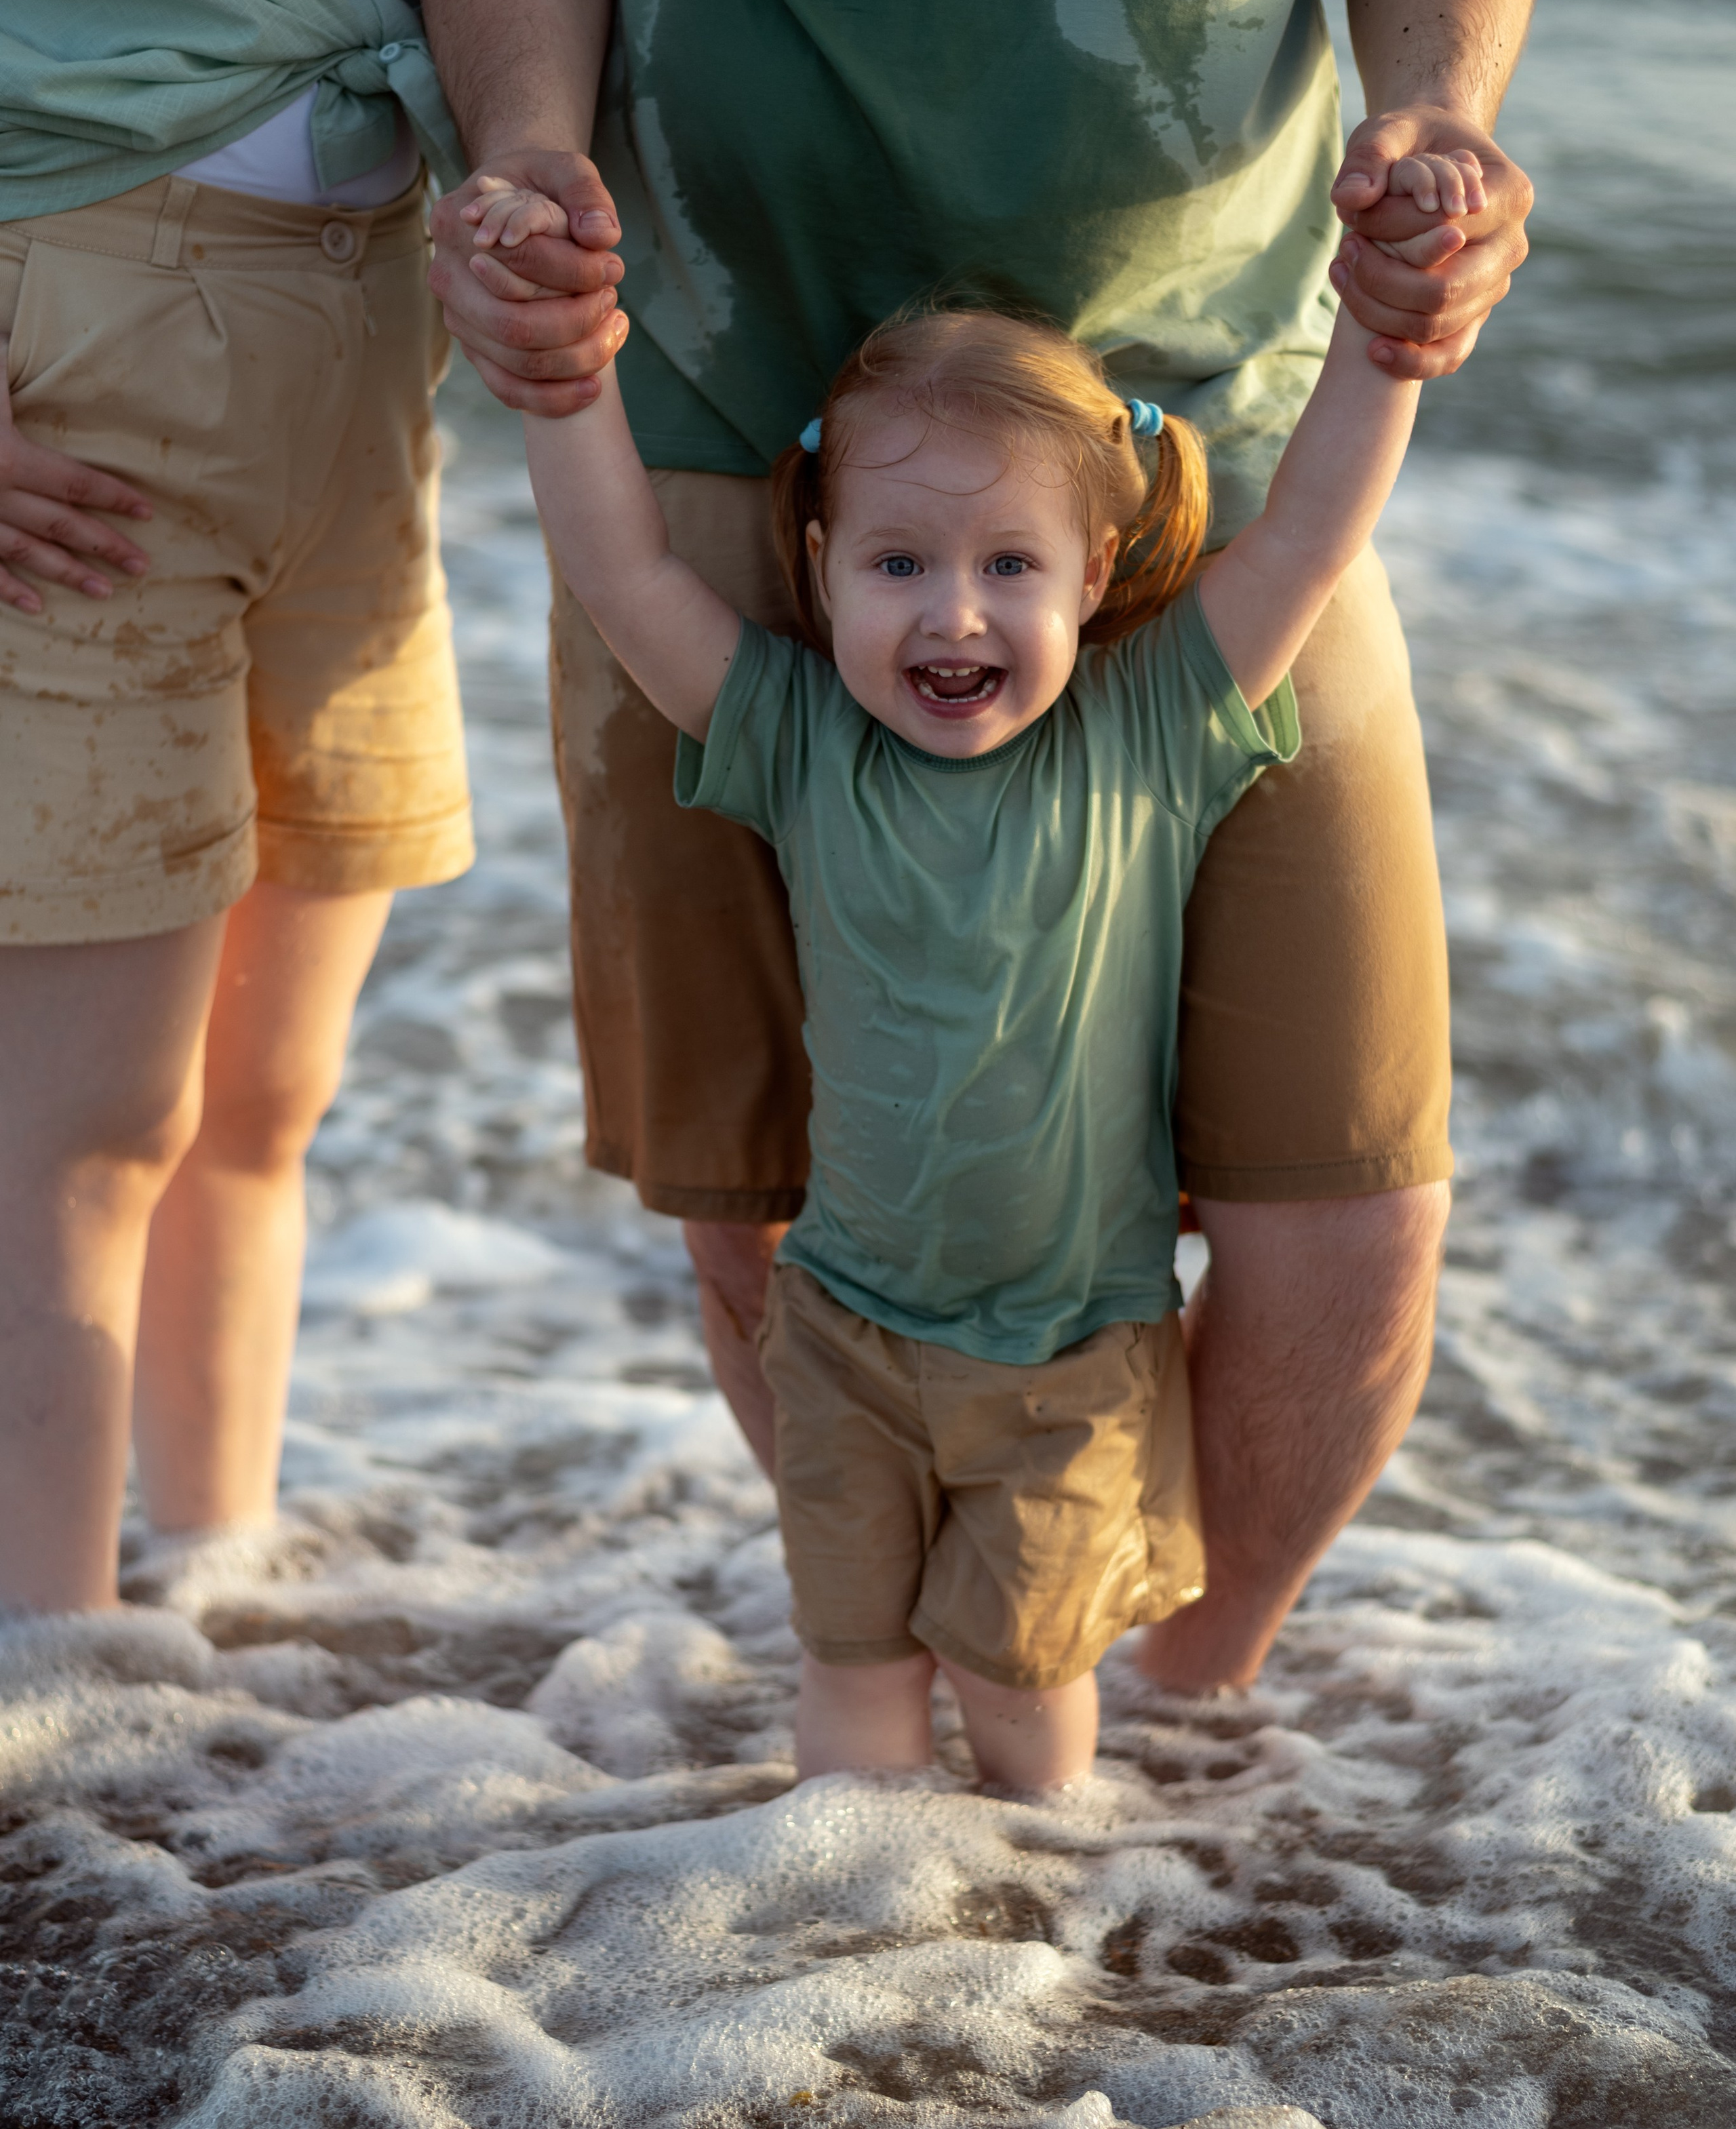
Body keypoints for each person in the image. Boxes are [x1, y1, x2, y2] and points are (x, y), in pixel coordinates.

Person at [418, 0, 1621, 1694]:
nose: (953, 618)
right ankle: (931, 1722)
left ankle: (1178, 1717)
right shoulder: (774, 697)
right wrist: (529, 184)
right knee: (757, 1211)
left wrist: (1431, 160)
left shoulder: (1194, 666)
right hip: (723, 390)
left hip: (1211, 407)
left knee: (1353, 1208)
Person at [477, 132, 1465, 1783]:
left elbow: (1302, 534)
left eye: (1010, 565)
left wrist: (1383, 340)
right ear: (819, 570)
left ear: (1096, 574)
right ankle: (845, 1909)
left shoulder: (1150, 730)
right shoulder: (796, 737)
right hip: (842, 1337)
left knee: (1021, 1704)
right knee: (850, 1679)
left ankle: (1023, 1921)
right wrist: (564, 382)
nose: (952, 614)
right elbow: (622, 568)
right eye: (899, 564)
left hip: (1068, 1360)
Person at [0, 0, 471, 1615]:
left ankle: (226, 1594)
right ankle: (52, 1676)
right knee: (85, 1123)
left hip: (373, 330)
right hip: (74, 312)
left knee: (264, 1099)